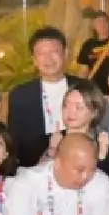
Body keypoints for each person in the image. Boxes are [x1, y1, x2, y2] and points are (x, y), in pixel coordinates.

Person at [8, 27, 76, 169]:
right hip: (33, 169)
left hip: (77, 165)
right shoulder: (20, 95)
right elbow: (14, 142)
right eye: (41, 53)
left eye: (54, 51)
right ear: (34, 59)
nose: (48, 58)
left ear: (65, 54)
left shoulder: (84, 88)